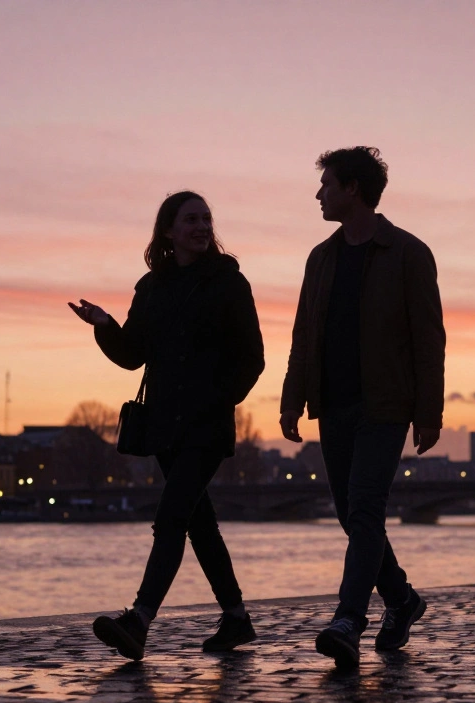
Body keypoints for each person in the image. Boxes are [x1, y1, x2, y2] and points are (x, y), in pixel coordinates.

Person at [69, 190, 265, 661]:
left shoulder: (229, 283)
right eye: (191, 219)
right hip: (163, 425)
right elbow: (132, 354)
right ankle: (236, 619)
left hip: (205, 426)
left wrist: (218, 400)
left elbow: (252, 359)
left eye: (206, 219)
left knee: (171, 518)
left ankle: (139, 620)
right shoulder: (151, 287)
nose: (201, 226)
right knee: (200, 524)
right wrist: (102, 323)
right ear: (169, 231)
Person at [280, 147, 446, 668]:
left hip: (386, 404)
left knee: (365, 507)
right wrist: (292, 399)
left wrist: (429, 411)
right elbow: (304, 333)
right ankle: (401, 600)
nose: (318, 194)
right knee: (355, 518)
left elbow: (428, 338)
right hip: (333, 404)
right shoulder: (321, 258)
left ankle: (349, 618)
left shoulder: (408, 253)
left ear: (353, 188)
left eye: (326, 184)